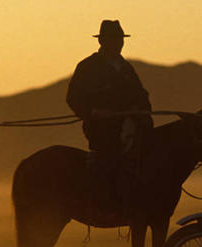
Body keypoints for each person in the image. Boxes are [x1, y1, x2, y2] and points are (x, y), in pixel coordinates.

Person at [66, 20, 153, 215]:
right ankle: (104, 202)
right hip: (102, 128)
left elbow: (142, 95)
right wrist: (93, 112)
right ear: (102, 41)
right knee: (108, 158)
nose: (119, 43)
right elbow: (73, 98)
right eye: (114, 39)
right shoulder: (88, 67)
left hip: (131, 126)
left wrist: (141, 111)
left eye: (120, 39)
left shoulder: (126, 68)